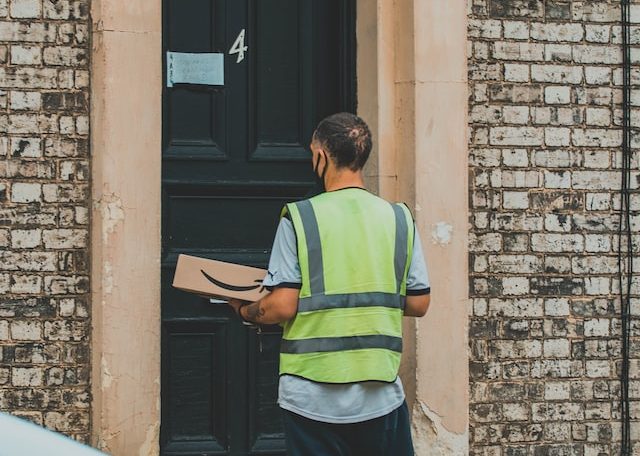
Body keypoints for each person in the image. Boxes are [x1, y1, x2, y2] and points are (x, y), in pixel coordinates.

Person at [228, 112, 431, 456]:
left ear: (322, 156)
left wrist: (246, 311)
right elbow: (418, 303)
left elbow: (281, 306)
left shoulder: (300, 217)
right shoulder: (399, 218)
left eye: (312, 153)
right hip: (379, 394)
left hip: (311, 397)